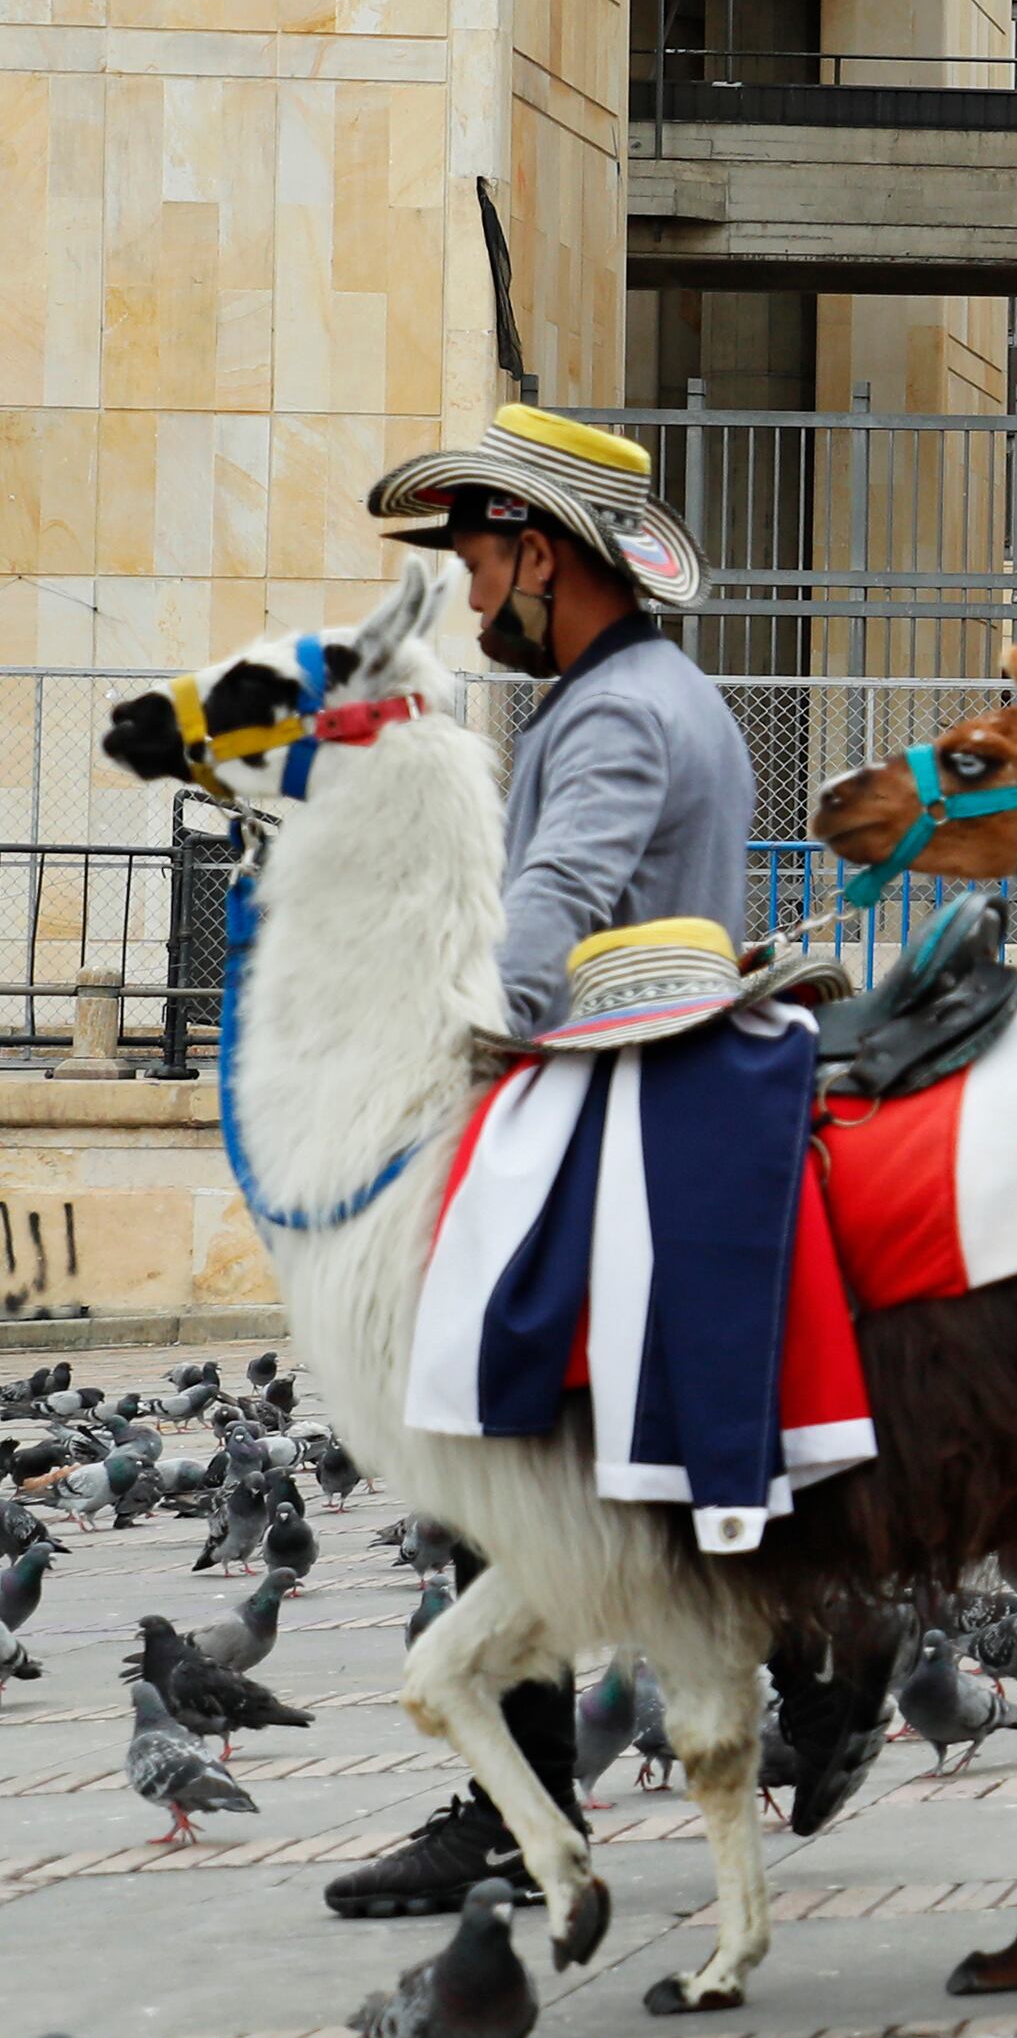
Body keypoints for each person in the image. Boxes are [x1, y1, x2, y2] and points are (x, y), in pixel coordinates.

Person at [327, 407, 747, 1920]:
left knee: (474, 1436)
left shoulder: (619, 715)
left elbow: (554, 902)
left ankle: (515, 1810)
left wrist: (462, 1045)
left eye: (480, 558)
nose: (468, 593)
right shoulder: (653, 693)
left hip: (604, 1132)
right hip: (641, 1120)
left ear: (547, 553)